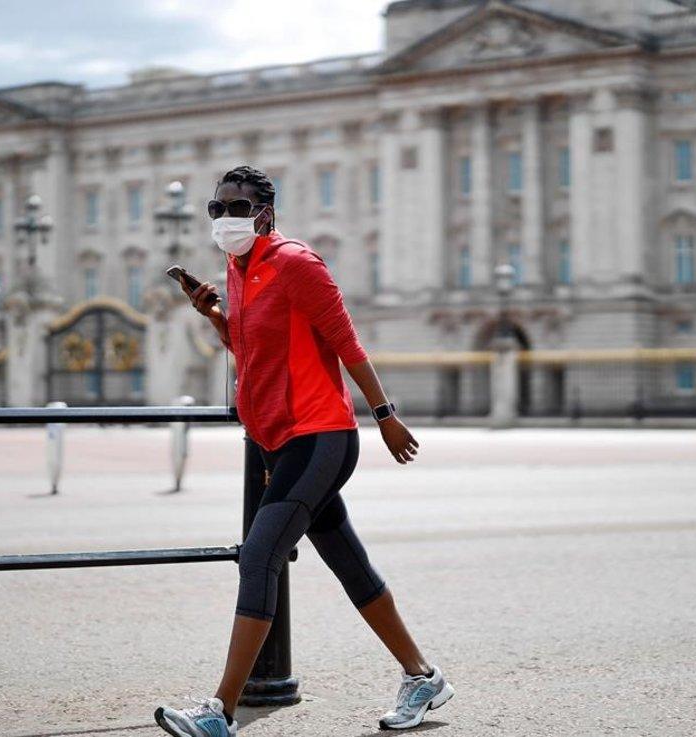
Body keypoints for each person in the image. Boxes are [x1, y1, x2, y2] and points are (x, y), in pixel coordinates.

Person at [154, 166, 454, 737]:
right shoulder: (239, 270)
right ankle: (423, 676)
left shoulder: (296, 262)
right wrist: (213, 313)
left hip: (319, 436)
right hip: (278, 440)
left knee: (259, 555)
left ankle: (219, 712)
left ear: (265, 212)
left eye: (236, 207)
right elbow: (248, 346)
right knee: (349, 565)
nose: (225, 218)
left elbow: (346, 342)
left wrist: (385, 415)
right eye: (216, 208)